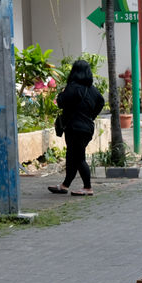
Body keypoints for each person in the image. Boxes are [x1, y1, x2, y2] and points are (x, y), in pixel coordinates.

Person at [50, 59, 104, 196]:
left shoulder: (72, 87)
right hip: (87, 127)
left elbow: (60, 102)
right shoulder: (93, 90)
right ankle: (65, 185)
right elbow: (101, 102)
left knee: (78, 158)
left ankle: (87, 187)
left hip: (75, 128)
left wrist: (61, 93)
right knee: (71, 156)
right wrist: (91, 115)